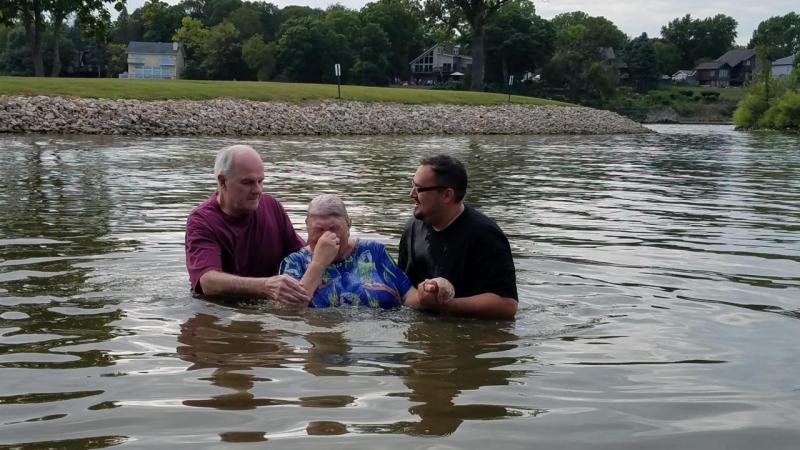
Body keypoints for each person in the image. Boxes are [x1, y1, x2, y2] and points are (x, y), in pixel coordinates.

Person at [279, 193, 452, 309]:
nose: (327, 236)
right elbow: (289, 312)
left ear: (349, 225)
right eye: (319, 229)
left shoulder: (374, 252)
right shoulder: (294, 263)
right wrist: (318, 263)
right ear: (307, 227)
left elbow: (408, 297)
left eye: (334, 228)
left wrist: (428, 293)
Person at [184, 144, 309, 304]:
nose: (257, 190)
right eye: (248, 182)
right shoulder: (202, 220)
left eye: (260, 181)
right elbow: (207, 281)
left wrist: (339, 247)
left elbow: (301, 254)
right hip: (222, 311)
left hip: (265, 305)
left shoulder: (271, 206)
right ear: (223, 181)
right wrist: (265, 286)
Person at [398, 154, 518, 319]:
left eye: (419, 188)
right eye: (413, 185)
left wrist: (445, 304)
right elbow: (401, 284)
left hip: (472, 333)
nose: (411, 193)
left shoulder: (485, 235)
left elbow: (507, 305)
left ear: (447, 195)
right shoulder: (413, 226)